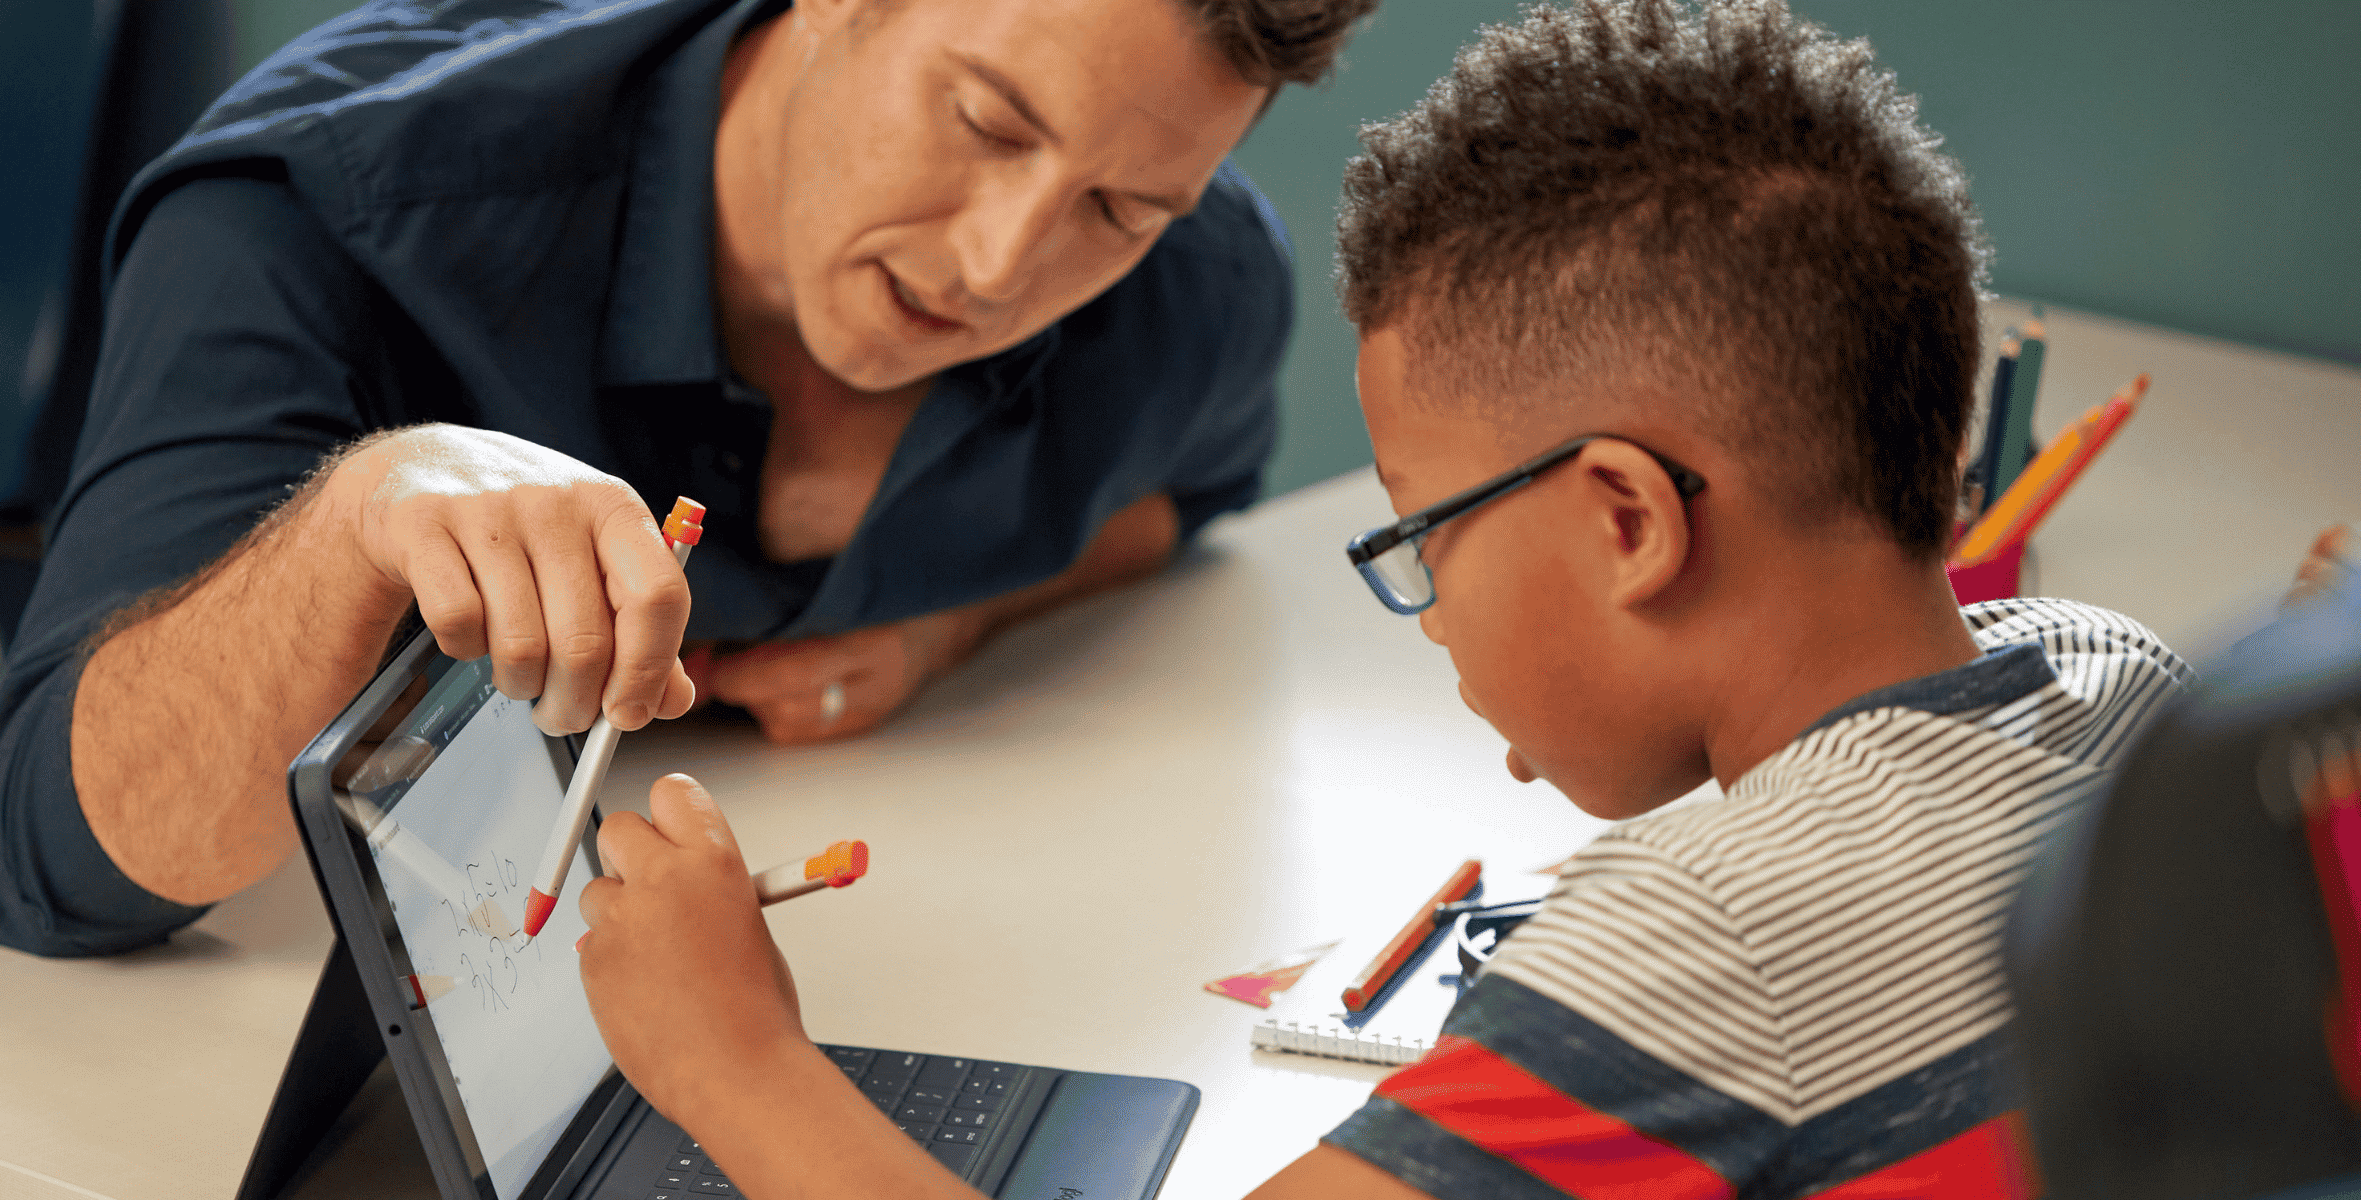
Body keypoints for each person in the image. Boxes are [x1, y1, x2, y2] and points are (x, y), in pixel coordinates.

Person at [566, 0, 2194, 1195]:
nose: (1440, 624)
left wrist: (735, 1058)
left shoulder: (1703, 955)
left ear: (1626, 517)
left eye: (1426, 540)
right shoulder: (2113, 679)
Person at [0, 0, 1378, 957]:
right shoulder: (327, 218)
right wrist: (357, 515)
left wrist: (948, 630)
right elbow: (58, 870)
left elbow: (1177, 506)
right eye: (988, 123)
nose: (1002, 266)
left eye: (1121, 206)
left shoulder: (1196, 284)